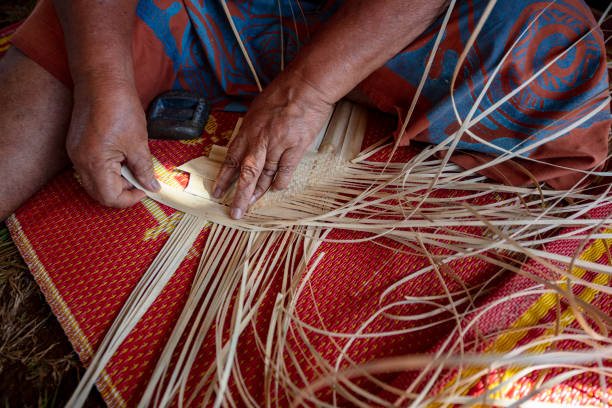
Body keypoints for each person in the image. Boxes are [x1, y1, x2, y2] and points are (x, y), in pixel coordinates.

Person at [0, 0, 609, 222]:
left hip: (398, 14)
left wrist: (308, 90)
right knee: (76, 48)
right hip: (223, 8)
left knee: (553, 69)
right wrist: (102, 81)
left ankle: (345, 80)